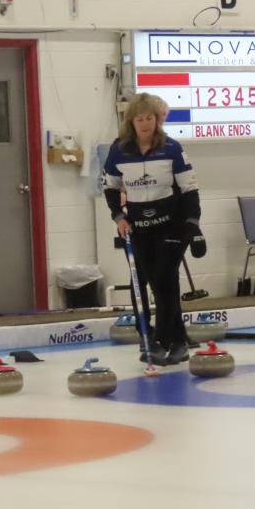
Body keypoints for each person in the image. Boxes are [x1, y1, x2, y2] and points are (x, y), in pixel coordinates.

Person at [102, 93, 206, 365]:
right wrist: (118, 217)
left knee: (164, 280)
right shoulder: (119, 150)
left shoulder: (172, 148)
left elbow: (189, 188)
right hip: (138, 228)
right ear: (131, 122)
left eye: (150, 118)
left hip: (171, 226)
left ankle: (166, 340)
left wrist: (193, 223)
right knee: (145, 282)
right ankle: (156, 338)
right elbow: (110, 187)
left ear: (157, 120)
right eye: (140, 119)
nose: (146, 124)